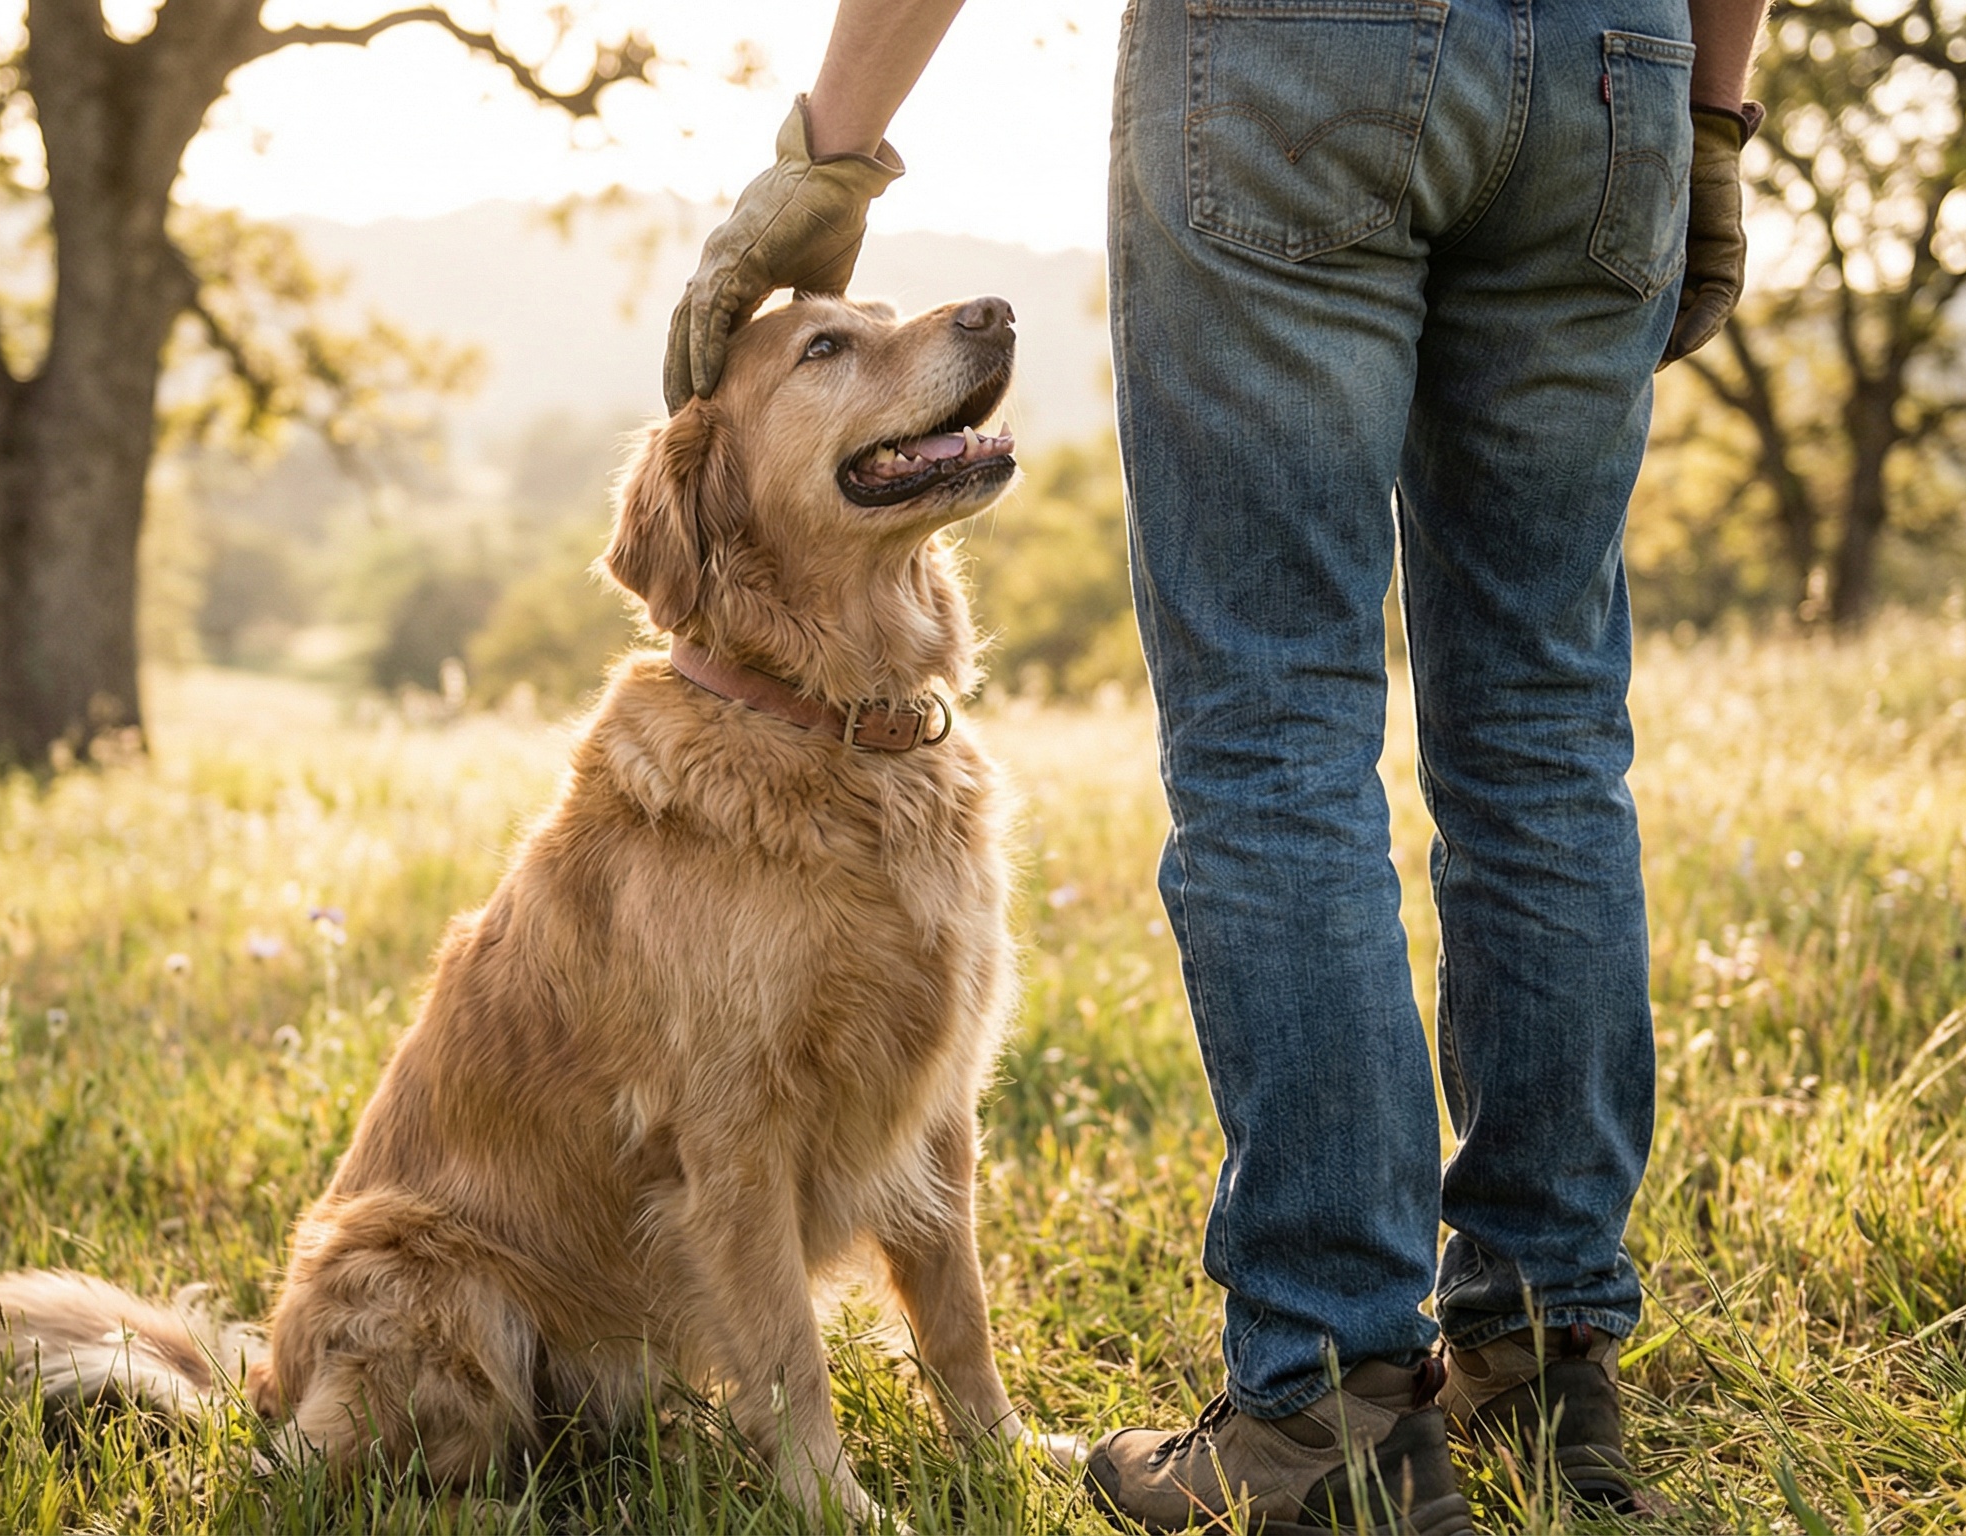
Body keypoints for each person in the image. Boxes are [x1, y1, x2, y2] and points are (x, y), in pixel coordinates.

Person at [665, 0, 1767, 1530]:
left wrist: (831, 154)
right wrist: (1710, 113)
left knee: (1277, 729)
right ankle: (1540, 1337)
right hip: (1614, 62)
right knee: (1545, 727)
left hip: (1298, 54)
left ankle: (1331, 1408)